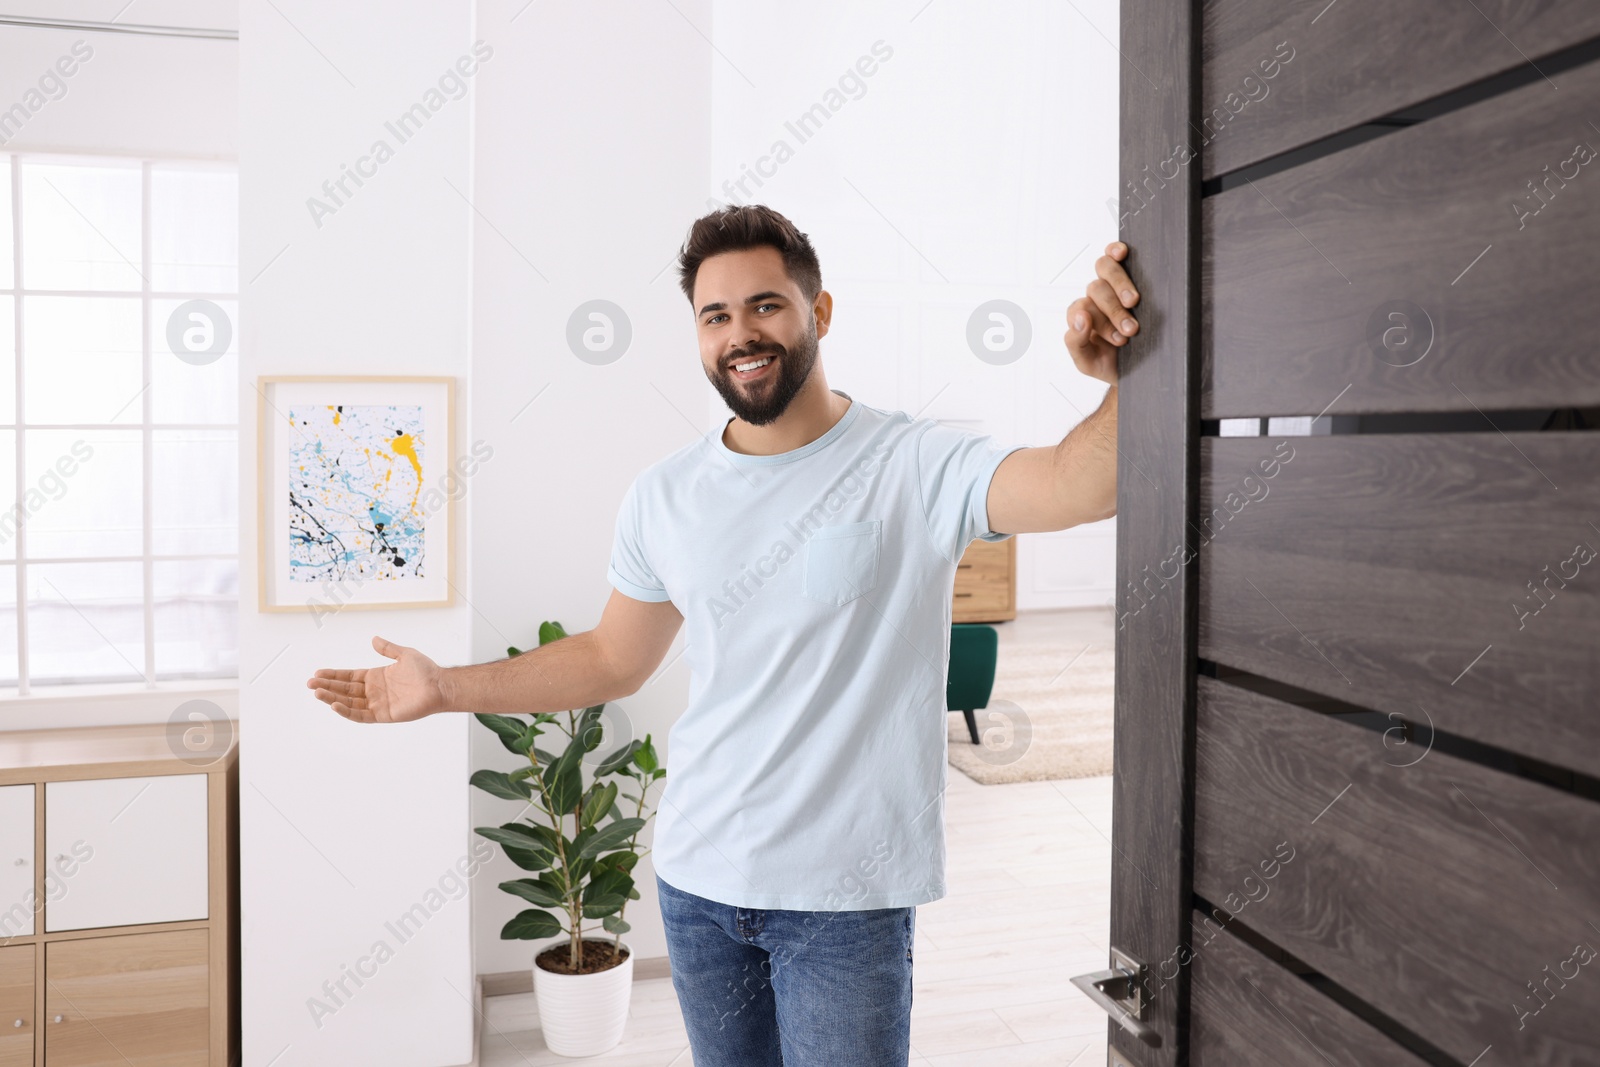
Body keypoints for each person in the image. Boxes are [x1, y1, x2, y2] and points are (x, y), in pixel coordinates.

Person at [307, 204, 1138, 1066]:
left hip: (844, 903)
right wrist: (446, 688)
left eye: (765, 306)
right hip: (699, 886)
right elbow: (610, 657)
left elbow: (1080, 485)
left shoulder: (915, 463)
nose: (741, 333)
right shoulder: (664, 495)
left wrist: (1125, 379)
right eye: (715, 316)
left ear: (818, 313)